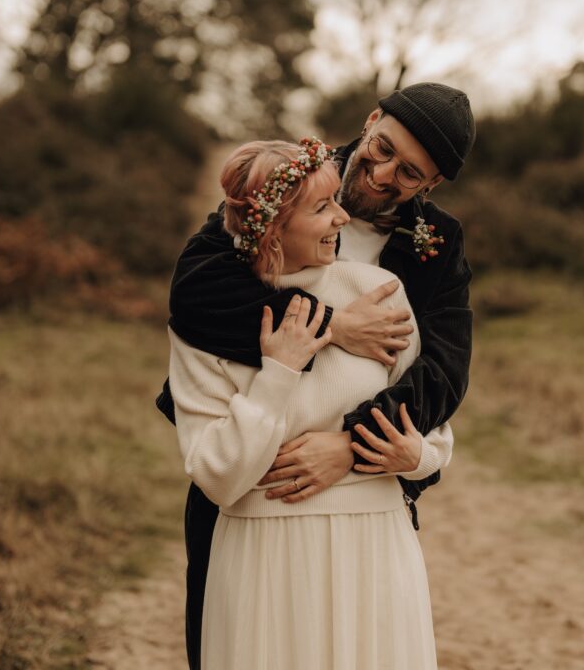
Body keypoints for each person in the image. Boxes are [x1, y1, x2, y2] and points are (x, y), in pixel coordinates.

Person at [155, 83, 477, 669]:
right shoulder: (287, 182)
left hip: (360, 505)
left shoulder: (436, 244)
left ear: (430, 186)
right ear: (371, 120)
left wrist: (354, 444)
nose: (383, 174)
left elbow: (443, 372)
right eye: (383, 149)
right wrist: (335, 326)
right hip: (248, 482)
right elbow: (197, 294)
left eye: (409, 174)